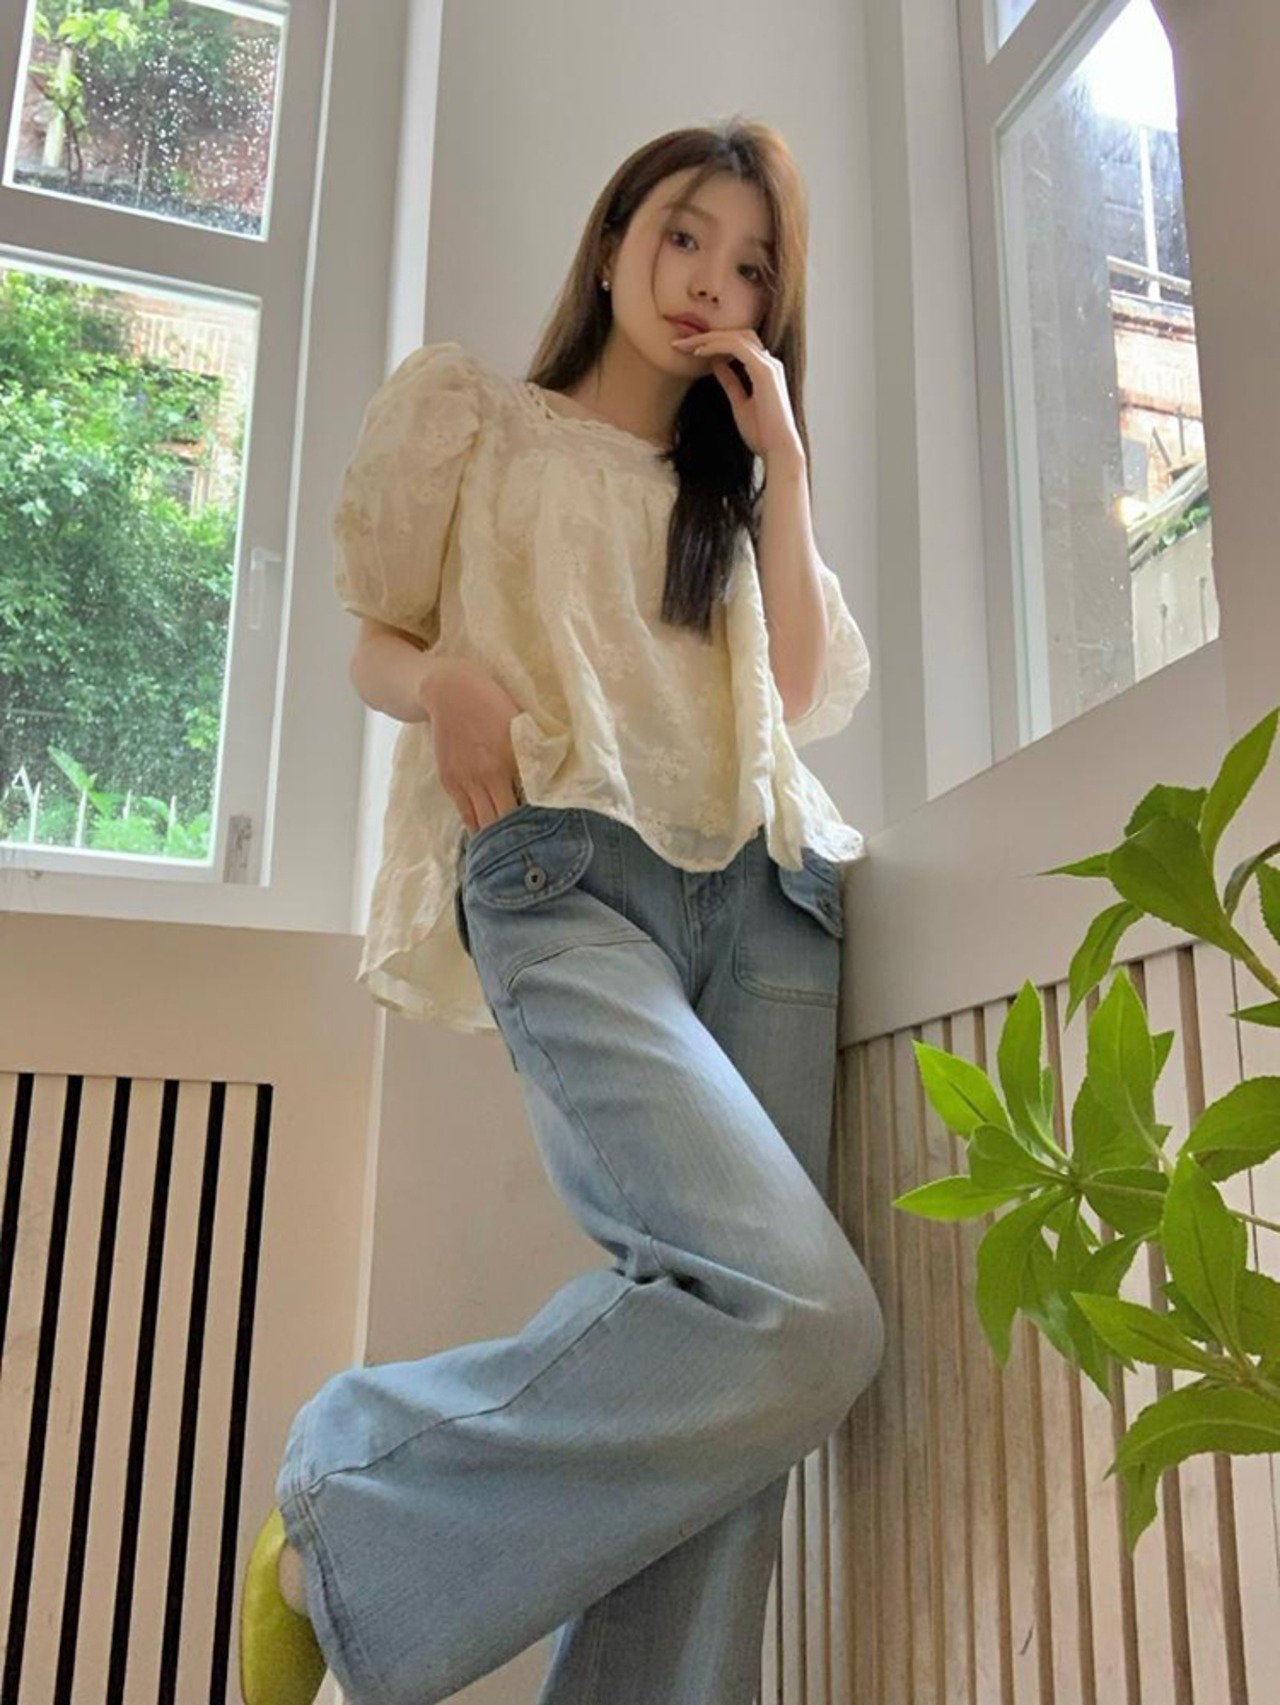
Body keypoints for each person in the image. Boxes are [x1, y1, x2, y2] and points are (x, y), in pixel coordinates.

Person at [239, 115, 884, 1705]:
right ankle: (345, 1506)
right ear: (612, 242)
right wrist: (443, 681)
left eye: (753, 267)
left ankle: (359, 1526)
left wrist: (786, 463)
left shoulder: (728, 493)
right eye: (684, 235)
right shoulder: (480, 422)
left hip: (769, 902)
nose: (710, 282)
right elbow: (373, 635)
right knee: (804, 1319)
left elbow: (799, 691)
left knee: (738, 1390)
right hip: (561, 876)